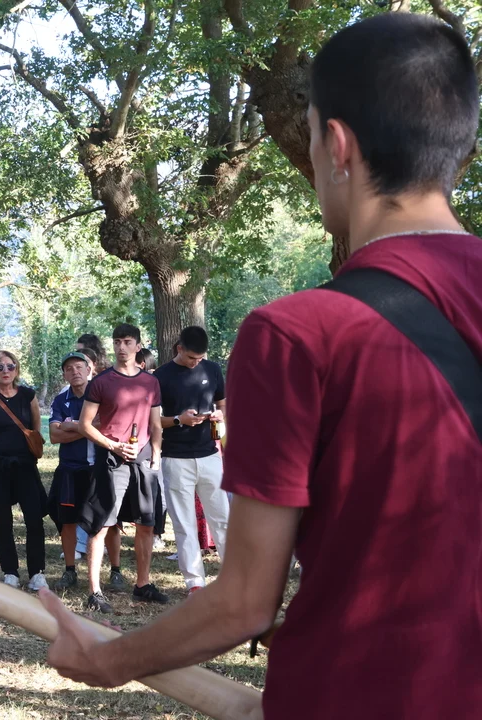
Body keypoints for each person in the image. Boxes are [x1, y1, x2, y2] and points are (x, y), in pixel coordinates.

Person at [41, 15, 482, 719]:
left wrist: (106, 658)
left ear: (337, 145)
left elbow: (245, 601)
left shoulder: (297, 334)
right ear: (461, 149)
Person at [77, 324, 167, 611]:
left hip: (143, 460)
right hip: (112, 459)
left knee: (146, 524)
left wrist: (156, 453)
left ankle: (142, 585)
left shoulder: (150, 382)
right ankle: (94, 591)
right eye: (117, 342)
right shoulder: (101, 382)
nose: (121, 347)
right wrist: (112, 445)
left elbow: (156, 424)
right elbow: (84, 425)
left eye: (127, 342)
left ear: (138, 346)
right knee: (102, 523)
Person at [154, 326, 228, 593]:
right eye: (191, 358)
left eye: (200, 358)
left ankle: (233, 575)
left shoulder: (213, 370)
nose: (196, 362)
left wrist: (219, 415)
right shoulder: (161, 376)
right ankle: (195, 582)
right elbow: (154, 420)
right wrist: (179, 420)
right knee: (184, 523)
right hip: (176, 458)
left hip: (210, 455)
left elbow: (223, 404)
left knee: (222, 518)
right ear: (179, 349)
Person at [0, 351, 48, 592]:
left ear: (17, 369)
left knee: (34, 518)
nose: (5, 371)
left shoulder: (28, 396)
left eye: (10, 366)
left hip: (25, 466)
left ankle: (37, 573)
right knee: (3, 520)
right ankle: (10, 572)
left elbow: (35, 430)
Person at [47, 352, 95, 592]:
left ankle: (114, 571)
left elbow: (105, 426)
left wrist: (73, 426)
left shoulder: (99, 395)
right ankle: (70, 570)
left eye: (79, 367)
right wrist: (86, 428)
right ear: (64, 375)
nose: (74, 372)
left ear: (88, 370)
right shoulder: (60, 400)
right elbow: (54, 436)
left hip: (97, 468)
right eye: (69, 369)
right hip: (69, 469)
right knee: (67, 522)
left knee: (105, 523)